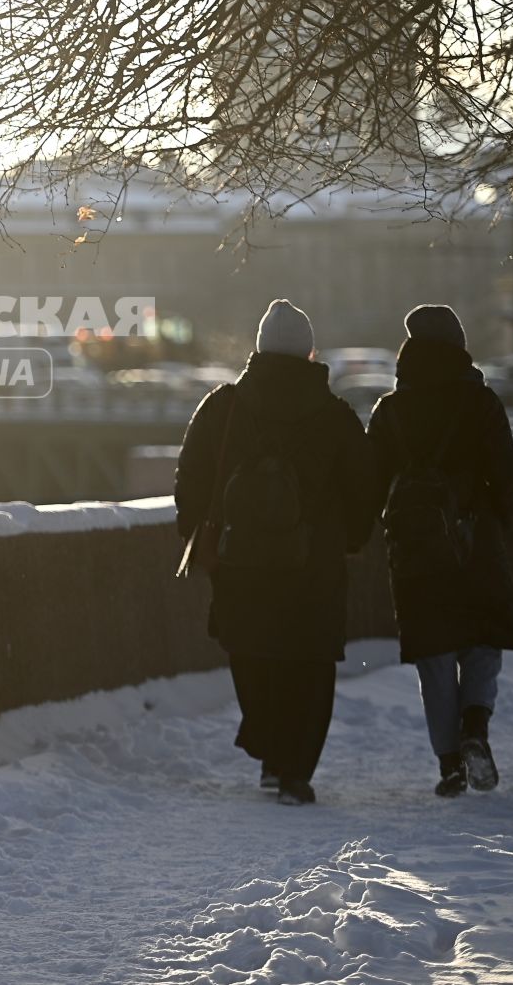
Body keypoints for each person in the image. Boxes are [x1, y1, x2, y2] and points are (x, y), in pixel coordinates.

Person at [175, 299, 377, 805]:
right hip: (313, 563)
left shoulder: (222, 406)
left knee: (251, 650)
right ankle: (294, 771)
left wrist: (193, 529)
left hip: (240, 558)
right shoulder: (335, 415)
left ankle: (268, 747)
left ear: (259, 348)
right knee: (310, 664)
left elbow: (192, 475)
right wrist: (349, 539)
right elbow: (363, 487)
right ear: (310, 352)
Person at [367, 304, 513, 798]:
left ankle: (450, 764)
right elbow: (506, 475)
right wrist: (494, 519)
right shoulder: (482, 404)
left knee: (433, 655)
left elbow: (371, 482)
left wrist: (399, 523)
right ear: (459, 346)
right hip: (476, 538)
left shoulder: (390, 409)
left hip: (416, 547)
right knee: (480, 640)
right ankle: (475, 729)